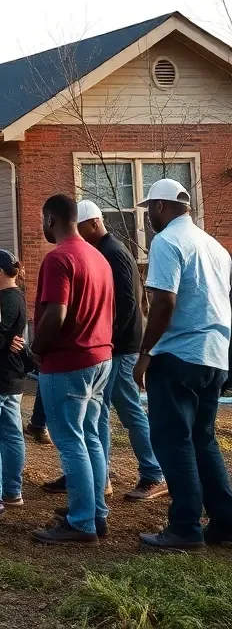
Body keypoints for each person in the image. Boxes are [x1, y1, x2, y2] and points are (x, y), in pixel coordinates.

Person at [133, 178, 232, 549]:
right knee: (202, 439)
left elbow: (163, 302)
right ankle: (224, 521)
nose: (147, 219)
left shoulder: (167, 241)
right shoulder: (215, 246)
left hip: (178, 355)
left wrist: (145, 354)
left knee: (173, 441)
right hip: (215, 354)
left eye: (148, 211)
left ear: (159, 207)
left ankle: (184, 527)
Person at [31, 195, 114, 545]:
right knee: (91, 437)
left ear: (50, 219)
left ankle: (81, 523)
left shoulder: (59, 257)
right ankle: (95, 513)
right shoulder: (98, 256)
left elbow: (56, 313)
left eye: (42, 221)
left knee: (70, 442)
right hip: (101, 358)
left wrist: (37, 349)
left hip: (68, 361)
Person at [76, 200, 166, 501]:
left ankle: (153, 474)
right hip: (115, 345)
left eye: (79, 228)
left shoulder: (112, 252)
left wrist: (108, 338)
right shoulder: (104, 250)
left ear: (93, 224)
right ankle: (99, 473)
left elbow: (127, 303)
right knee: (100, 410)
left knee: (125, 410)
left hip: (120, 346)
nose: (77, 234)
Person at [0, 250, 28, 508]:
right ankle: (12, 490)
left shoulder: (6, 299)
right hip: (13, 373)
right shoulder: (18, 296)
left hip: (1, 373)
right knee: (11, 432)